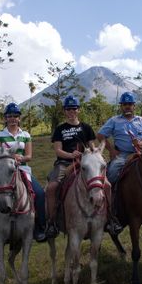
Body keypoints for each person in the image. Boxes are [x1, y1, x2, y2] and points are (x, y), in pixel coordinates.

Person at [0, 103, 47, 242]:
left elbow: (29, 156)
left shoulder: (25, 135)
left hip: (22, 169)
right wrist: (11, 158)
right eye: (9, 116)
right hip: (3, 171)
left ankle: (40, 228)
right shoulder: (0, 134)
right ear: (5, 118)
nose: (12, 119)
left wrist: (21, 158)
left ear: (19, 118)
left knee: (40, 193)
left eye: (15, 116)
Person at [44, 95, 97, 238]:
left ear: (78, 110)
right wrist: (71, 155)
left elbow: (92, 147)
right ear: (64, 111)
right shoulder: (60, 129)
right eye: (68, 109)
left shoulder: (86, 127)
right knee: (52, 188)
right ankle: (51, 222)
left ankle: (109, 218)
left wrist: (92, 154)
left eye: (74, 108)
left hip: (84, 162)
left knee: (105, 184)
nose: (71, 111)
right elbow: (58, 150)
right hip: (64, 163)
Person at [97, 91, 142, 234]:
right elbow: (100, 135)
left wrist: (141, 143)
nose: (127, 107)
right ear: (121, 106)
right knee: (112, 173)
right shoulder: (114, 120)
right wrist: (112, 150)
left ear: (134, 106)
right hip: (122, 155)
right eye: (125, 104)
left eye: (130, 104)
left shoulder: (141, 121)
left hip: (139, 154)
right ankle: (111, 208)